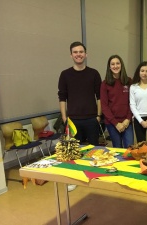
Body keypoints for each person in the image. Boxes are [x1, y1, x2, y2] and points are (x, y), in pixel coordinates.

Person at [58, 41, 102, 191]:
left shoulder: (94, 73)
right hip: (73, 120)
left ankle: (95, 175)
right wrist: (65, 118)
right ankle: (74, 179)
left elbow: (99, 97)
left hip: (91, 119)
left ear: (86, 54)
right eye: (75, 52)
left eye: (81, 52)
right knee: (74, 152)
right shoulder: (65, 75)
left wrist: (98, 115)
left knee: (94, 150)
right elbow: (62, 98)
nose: (78, 54)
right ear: (71, 55)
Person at [100, 55, 134, 148]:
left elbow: (132, 103)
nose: (115, 66)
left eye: (117, 63)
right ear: (109, 67)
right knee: (117, 149)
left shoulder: (129, 81)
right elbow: (104, 106)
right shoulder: (105, 83)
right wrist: (116, 123)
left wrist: (127, 120)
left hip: (127, 122)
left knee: (130, 148)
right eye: (112, 64)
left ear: (121, 65)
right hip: (112, 123)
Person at [130, 61, 147, 143]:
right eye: (142, 71)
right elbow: (132, 105)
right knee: (141, 146)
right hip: (139, 120)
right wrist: (141, 121)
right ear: (138, 72)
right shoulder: (133, 87)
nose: (144, 73)